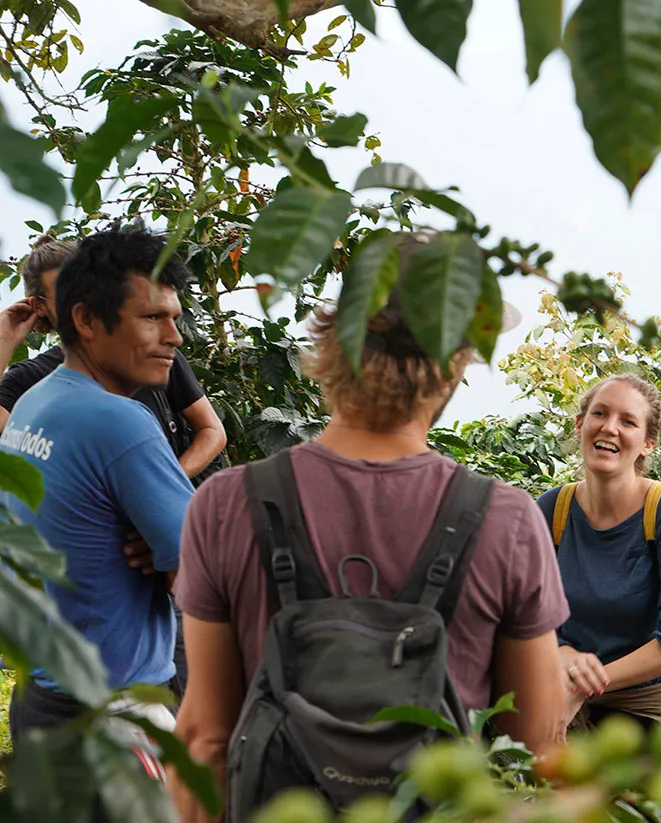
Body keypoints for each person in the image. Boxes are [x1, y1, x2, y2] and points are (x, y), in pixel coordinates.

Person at [170, 236, 568, 822]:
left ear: (333, 339)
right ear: (456, 362)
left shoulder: (227, 504)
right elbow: (533, 745)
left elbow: (205, 737)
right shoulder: (506, 519)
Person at [2, 227, 195, 743]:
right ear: (86, 319)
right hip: (115, 715)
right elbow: (207, 580)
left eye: (174, 318)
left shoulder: (34, 404)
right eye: (152, 317)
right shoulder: (121, 423)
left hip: (43, 698)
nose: (174, 337)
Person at [536, 374, 661, 739]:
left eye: (628, 421)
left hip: (659, 705)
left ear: (647, 444)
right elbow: (523, 611)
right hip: (574, 701)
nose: (610, 428)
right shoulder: (552, 509)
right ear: (580, 424)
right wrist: (562, 652)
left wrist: (585, 683)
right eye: (600, 414)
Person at [0, 234, 227, 487]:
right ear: (39, 306)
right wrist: (4, 341)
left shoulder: (151, 351)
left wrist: (164, 484)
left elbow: (212, 431)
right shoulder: (31, 377)